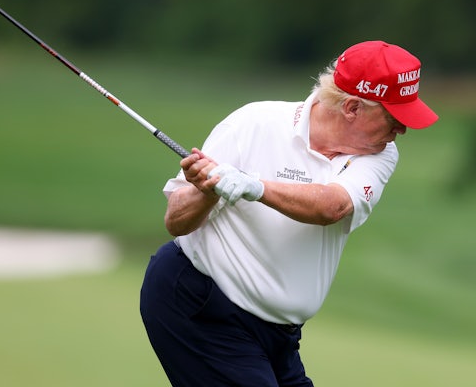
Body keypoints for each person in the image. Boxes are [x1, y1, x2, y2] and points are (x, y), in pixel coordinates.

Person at [140, 40, 439, 386]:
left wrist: (254, 186)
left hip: (279, 338)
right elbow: (176, 221)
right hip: (200, 307)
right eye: (393, 117)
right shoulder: (254, 124)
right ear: (353, 108)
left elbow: (333, 205)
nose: (401, 130)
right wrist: (207, 191)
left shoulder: (380, 153)